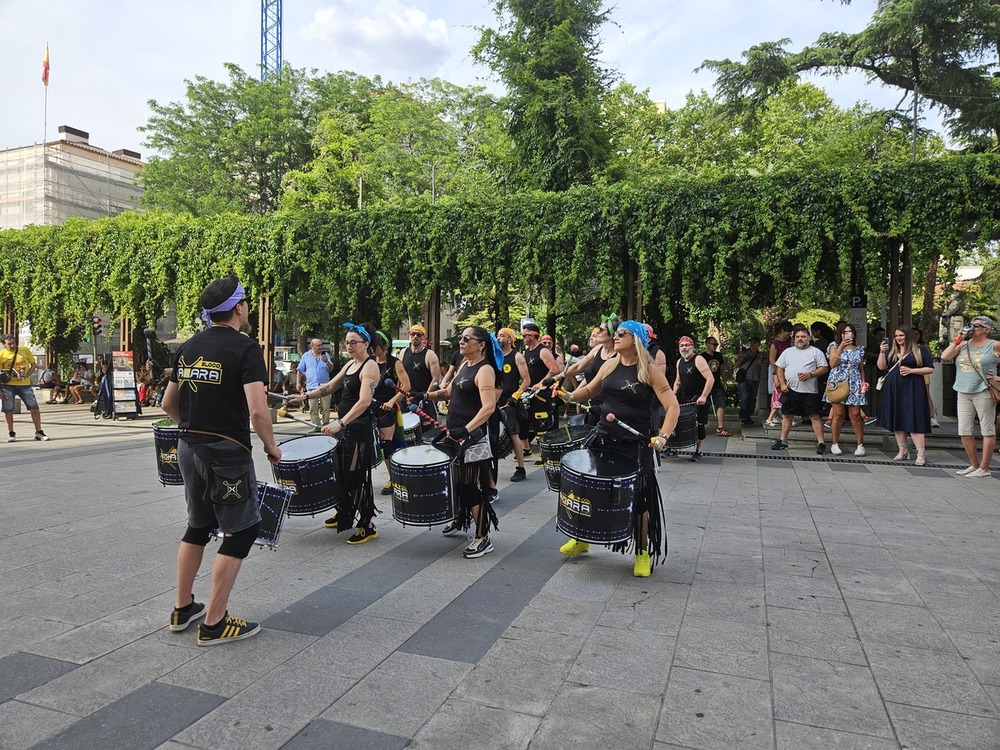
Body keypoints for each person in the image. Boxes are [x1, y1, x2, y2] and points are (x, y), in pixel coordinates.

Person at [161, 275, 281, 645]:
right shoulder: (245, 349)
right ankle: (214, 623)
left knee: (198, 524)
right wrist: (271, 447)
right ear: (240, 308)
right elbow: (258, 411)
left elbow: (167, 404)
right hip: (227, 453)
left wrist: (196, 427)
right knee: (241, 531)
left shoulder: (188, 346)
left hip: (187, 447)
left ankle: (183, 608)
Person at [560, 321, 680, 577]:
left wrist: (663, 436)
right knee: (588, 491)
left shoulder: (649, 370)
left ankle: (642, 553)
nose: (615, 336)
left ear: (635, 339)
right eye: (615, 333)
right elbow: (589, 391)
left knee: (640, 500)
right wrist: (568, 396)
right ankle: (582, 540)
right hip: (604, 438)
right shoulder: (610, 364)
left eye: (621, 333)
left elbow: (673, 407)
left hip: (635, 445)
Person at [413, 326, 501, 558]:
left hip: (472, 439)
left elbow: (489, 407)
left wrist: (466, 429)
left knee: (470, 487)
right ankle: (461, 519)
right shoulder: (465, 365)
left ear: (481, 345)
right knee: (456, 483)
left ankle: (483, 537)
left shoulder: (485, 370)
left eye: (466, 339)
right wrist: (424, 395)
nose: (460, 342)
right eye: (461, 338)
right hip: (456, 435)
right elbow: (449, 392)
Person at [290, 322, 381, 541]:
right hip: (345, 429)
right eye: (347, 342)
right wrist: (305, 396)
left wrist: (341, 423)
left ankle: (368, 524)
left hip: (358, 430)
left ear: (366, 344)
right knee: (340, 473)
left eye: (353, 342)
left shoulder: (369, 366)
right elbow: (329, 387)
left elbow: (365, 401)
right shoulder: (350, 365)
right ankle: (345, 511)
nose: (349, 346)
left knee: (356, 476)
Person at [939, 316, 1000, 477]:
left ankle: (984, 468)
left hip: (984, 390)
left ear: (987, 329)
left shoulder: (994, 345)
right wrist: (958, 339)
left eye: (977, 325)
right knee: (964, 430)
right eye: (971, 325)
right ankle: (974, 464)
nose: (973, 327)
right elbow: (945, 357)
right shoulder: (963, 344)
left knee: (987, 429)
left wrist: (999, 378)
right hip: (963, 390)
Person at [876, 326, 934, 466]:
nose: (898, 338)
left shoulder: (920, 350)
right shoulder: (893, 351)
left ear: (908, 336)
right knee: (898, 418)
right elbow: (882, 367)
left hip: (913, 388)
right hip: (894, 388)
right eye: (896, 336)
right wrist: (881, 352)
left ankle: (920, 453)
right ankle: (903, 450)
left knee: (914, 418)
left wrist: (912, 370)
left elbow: (930, 368)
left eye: (901, 335)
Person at [772, 325, 829, 453]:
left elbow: (824, 368)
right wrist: (782, 384)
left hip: (810, 391)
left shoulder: (816, 352)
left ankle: (821, 443)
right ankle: (783, 441)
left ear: (809, 338)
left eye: (803, 337)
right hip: (791, 390)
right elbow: (779, 368)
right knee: (787, 415)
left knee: (814, 416)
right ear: (794, 339)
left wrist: (811, 374)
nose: (800, 339)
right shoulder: (788, 352)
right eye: (797, 337)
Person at [372, 330, 410, 495]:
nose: (373, 349)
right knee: (377, 445)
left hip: (387, 409)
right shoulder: (370, 362)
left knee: (387, 445)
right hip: (372, 408)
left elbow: (406, 386)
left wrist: (392, 401)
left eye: (376, 346)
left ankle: (393, 479)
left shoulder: (395, 363)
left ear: (385, 346)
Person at [564, 315, 620, 426]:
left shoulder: (619, 357)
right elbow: (579, 367)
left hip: (609, 410)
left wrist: (572, 395)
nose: (597, 332)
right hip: (592, 406)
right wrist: (557, 378)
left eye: (601, 330)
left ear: (612, 334)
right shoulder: (598, 349)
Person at [825, 322, 869, 456]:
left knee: (855, 414)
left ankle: (860, 444)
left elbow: (861, 368)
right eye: (845, 332)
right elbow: (832, 364)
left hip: (854, 381)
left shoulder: (859, 349)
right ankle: (835, 443)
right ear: (841, 334)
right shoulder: (834, 346)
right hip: (838, 380)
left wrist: (863, 382)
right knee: (838, 414)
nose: (847, 335)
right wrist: (841, 348)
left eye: (850, 332)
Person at [0, 334, 49, 441]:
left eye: (13, 343)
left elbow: (34, 365)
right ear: (4, 344)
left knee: (34, 407)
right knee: (8, 409)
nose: (12, 345)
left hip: (24, 384)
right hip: (7, 385)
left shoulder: (24, 350)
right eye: (9, 344)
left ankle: (39, 432)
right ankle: (11, 432)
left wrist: (27, 375)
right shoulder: (2, 354)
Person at [497, 327, 530, 482]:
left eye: (502, 336)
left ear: (510, 339)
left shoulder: (517, 356)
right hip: (495, 401)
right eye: (497, 335)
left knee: (513, 434)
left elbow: (526, 380)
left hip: (509, 402)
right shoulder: (494, 356)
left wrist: (515, 396)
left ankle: (520, 468)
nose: (499, 338)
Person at [673, 336, 714, 461]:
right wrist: (673, 395)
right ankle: (673, 448)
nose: (684, 348)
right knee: (678, 422)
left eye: (687, 345)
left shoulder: (698, 359)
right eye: (682, 345)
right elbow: (678, 381)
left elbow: (710, 378)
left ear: (692, 347)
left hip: (699, 398)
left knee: (699, 425)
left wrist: (704, 396)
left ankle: (698, 450)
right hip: (685, 397)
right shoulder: (679, 362)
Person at [401, 324, 442, 425]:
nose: (415, 336)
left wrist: (424, 397)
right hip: (406, 399)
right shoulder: (403, 352)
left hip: (424, 400)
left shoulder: (430, 355)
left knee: (426, 432)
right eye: (413, 334)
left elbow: (436, 379)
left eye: (418, 334)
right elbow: (400, 377)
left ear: (423, 337)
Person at [296, 339, 334, 426]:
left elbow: (331, 368)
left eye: (321, 345)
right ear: (313, 346)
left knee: (326, 408)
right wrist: (298, 383)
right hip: (311, 386)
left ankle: (326, 425)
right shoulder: (306, 356)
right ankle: (316, 426)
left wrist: (326, 362)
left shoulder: (325, 355)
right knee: (313, 408)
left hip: (324, 386)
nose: (321, 347)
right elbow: (300, 370)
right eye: (318, 345)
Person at [766, 322, 793, 426]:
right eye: (787, 332)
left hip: (786, 368)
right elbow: (772, 360)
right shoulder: (774, 343)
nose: (789, 335)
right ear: (782, 331)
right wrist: (779, 369)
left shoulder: (788, 342)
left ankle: (783, 415)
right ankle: (774, 416)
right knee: (774, 391)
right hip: (775, 368)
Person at [702, 336, 730, 436]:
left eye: (716, 344)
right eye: (713, 344)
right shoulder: (702, 357)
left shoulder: (718, 355)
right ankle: (701, 426)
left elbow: (721, 369)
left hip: (717, 384)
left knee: (721, 404)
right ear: (707, 344)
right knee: (704, 406)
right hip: (705, 385)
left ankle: (720, 427)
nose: (715, 346)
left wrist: (725, 381)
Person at [734, 336, 763, 425]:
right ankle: (743, 417)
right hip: (744, 379)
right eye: (751, 343)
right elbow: (736, 365)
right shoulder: (744, 353)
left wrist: (761, 361)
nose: (753, 345)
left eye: (755, 343)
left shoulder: (760, 354)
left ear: (758, 344)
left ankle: (748, 415)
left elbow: (761, 365)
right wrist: (742, 358)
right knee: (744, 398)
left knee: (752, 399)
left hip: (755, 378)